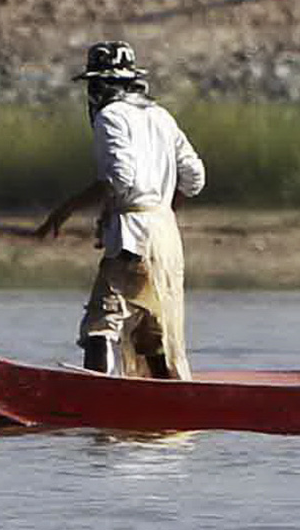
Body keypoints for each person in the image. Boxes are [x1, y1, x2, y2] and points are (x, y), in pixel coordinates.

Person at [35, 41, 206, 377]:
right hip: (165, 233)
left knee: (101, 324)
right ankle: (166, 396)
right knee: (150, 327)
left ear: (101, 86)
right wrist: (162, 213)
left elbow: (120, 179)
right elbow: (194, 177)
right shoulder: (160, 116)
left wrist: (65, 210)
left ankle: (94, 400)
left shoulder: (110, 117)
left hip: (135, 237)